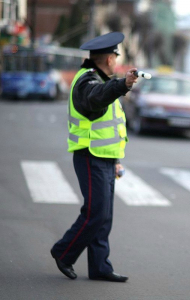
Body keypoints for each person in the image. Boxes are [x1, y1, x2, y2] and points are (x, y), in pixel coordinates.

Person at [50, 32, 138, 282]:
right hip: (90, 156)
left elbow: (112, 125)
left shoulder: (100, 79)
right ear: (110, 59)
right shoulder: (86, 82)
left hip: (106, 157)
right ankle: (63, 253)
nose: (115, 60)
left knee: (104, 216)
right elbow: (95, 99)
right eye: (114, 56)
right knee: (95, 213)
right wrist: (122, 85)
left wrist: (116, 159)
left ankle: (100, 267)